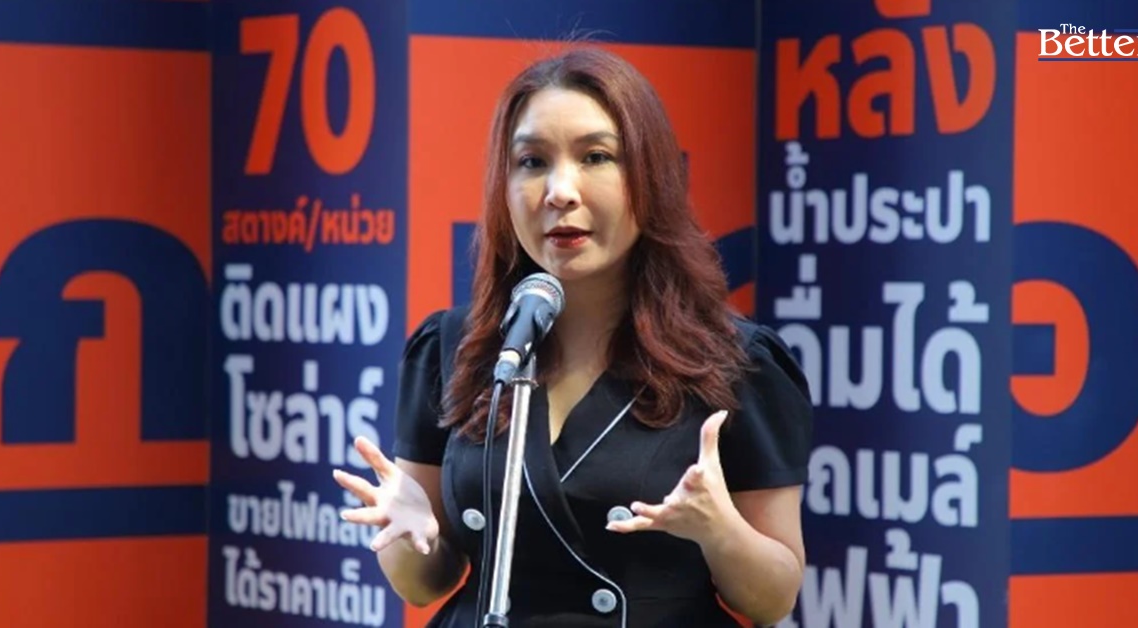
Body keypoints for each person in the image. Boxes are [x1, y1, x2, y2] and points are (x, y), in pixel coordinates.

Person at [332, 46, 813, 627]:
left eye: (596, 157)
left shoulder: (736, 363)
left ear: (651, 178)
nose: (559, 190)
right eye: (532, 161)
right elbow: (421, 585)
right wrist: (410, 534)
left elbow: (771, 600)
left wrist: (720, 530)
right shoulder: (453, 347)